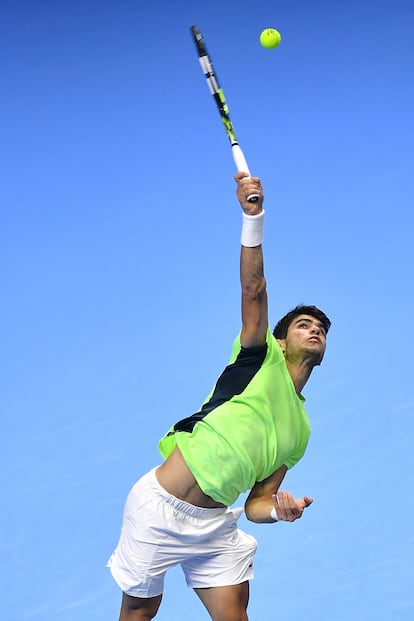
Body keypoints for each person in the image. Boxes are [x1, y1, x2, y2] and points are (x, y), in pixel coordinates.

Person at [107, 172, 331, 621]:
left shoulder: (301, 430)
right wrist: (254, 217)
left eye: (321, 329)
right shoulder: (258, 357)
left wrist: (281, 512)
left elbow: (257, 504)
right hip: (160, 508)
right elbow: (254, 289)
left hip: (213, 528)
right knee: (139, 611)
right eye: (303, 324)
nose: (315, 330)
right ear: (281, 340)